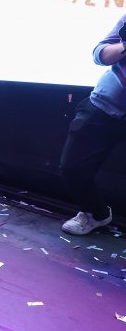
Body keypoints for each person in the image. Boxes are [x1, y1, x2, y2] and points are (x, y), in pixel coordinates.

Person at [59, 14, 126, 235]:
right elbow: (100, 54)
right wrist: (124, 46)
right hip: (103, 105)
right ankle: (95, 214)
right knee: (72, 168)